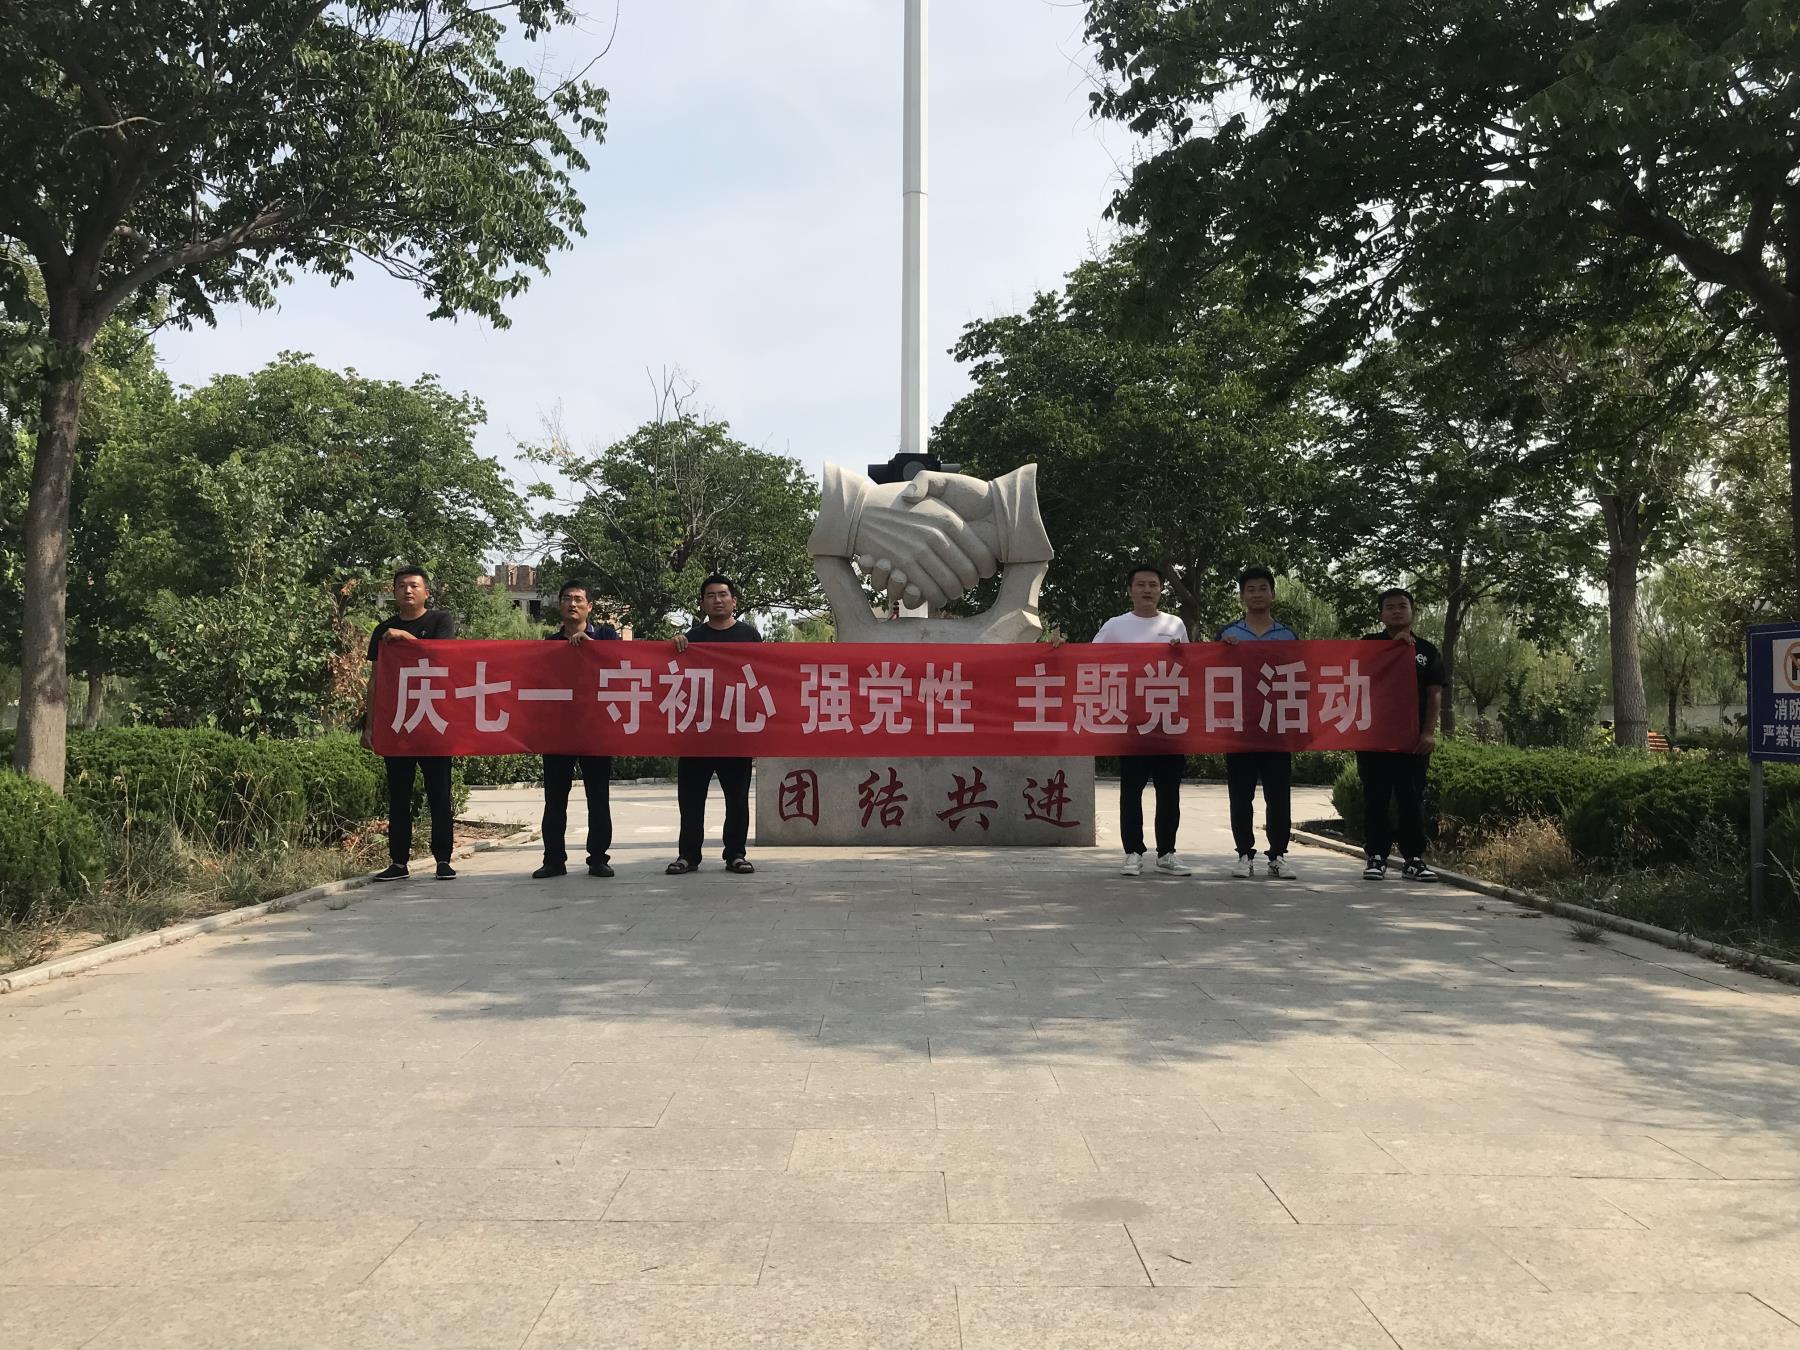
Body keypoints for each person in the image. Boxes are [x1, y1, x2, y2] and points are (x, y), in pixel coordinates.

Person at [1091, 563, 1192, 877]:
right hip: (1132, 722)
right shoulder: (1116, 626)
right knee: (1131, 791)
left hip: (1168, 721)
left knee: (1169, 791)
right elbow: (1088, 659)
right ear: (1130, 590)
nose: (1147, 590)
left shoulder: (1175, 624)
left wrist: (1180, 653)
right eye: (1141, 584)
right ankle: (1133, 852)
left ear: (1161, 590)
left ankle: (1167, 853)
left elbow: (1192, 669)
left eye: (1153, 585)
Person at [665, 574, 762, 875]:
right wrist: (673, 646)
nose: (717, 600)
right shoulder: (690, 638)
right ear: (702, 603)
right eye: (710, 595)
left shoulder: (750, 636)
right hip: (697, 732)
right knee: (690, 799)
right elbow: (672, 674)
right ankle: (688, 855)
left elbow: (765, 678)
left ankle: (735, 854)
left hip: (735, 732)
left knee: (737, 799)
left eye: (722, 594)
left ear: (734, 600)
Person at [367, 566, 457, 882]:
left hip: (434, 722)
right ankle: (398, 862)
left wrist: (406, 638)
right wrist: (370, 725)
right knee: (399, 796)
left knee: (439, 794)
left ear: (426, 593)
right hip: (399, 724)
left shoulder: (440, 621)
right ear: (393, 592)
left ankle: (443, 860)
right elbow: (376, 679)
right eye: (401, 585)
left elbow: (444, 657)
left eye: (414, 585)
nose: (408, 590)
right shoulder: (383, 630)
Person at [534, 581, 622, 880]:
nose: (572, 604)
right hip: (559, 731)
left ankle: (598, 859)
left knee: (598, 797)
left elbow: (623, 664)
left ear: (589, 606)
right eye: (567, 599)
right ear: (560, 605)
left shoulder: (606, 636)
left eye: (578, 599)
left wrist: (591, 647)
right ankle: (553, 860)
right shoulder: (549, 644)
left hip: (596, 729)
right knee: (554, 799)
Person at [1357, 587, 1446, 883]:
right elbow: (1354, 678)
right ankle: (1376, 856)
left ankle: (1414, 859)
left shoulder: (1427, 651)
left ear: (1412, 611)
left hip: (1412, 741)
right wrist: (1391, 650)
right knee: (1375, 798)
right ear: (1381, 615)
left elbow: (1434, 694)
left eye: (1402, 606)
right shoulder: (1369, 644)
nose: (1396, 611)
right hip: (1373, 739)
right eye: (1390, 607)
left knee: (1412, 798)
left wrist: (1428, 732)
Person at [1217, 566, 1300, 880]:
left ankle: (1278, 855)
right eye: (1250, 589)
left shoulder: (1287, 635)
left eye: (1262, 588)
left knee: (1278, 796)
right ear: (1242, 596)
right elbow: (1213, 676)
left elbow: (1301, 676)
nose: (1256, 594)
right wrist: (1222, 652)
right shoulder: (1228, 634)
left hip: (1276, 727)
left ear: (1272, 594)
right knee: (1241, 796)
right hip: (1240, 727)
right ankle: (1244, 854)